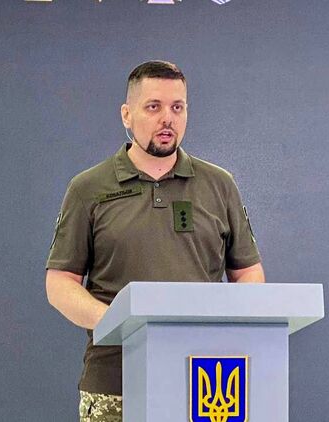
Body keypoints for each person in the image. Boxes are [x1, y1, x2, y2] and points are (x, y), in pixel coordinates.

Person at [45, 60, 265, 422]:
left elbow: (249, 274)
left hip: (205, 388)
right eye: (153, 107)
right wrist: (120, 323)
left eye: (177, 107)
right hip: (116, 387)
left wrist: (225, 329)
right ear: (126, 114)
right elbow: (59, 284)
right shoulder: (88, 189)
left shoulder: (219, 185)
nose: (167, 119)